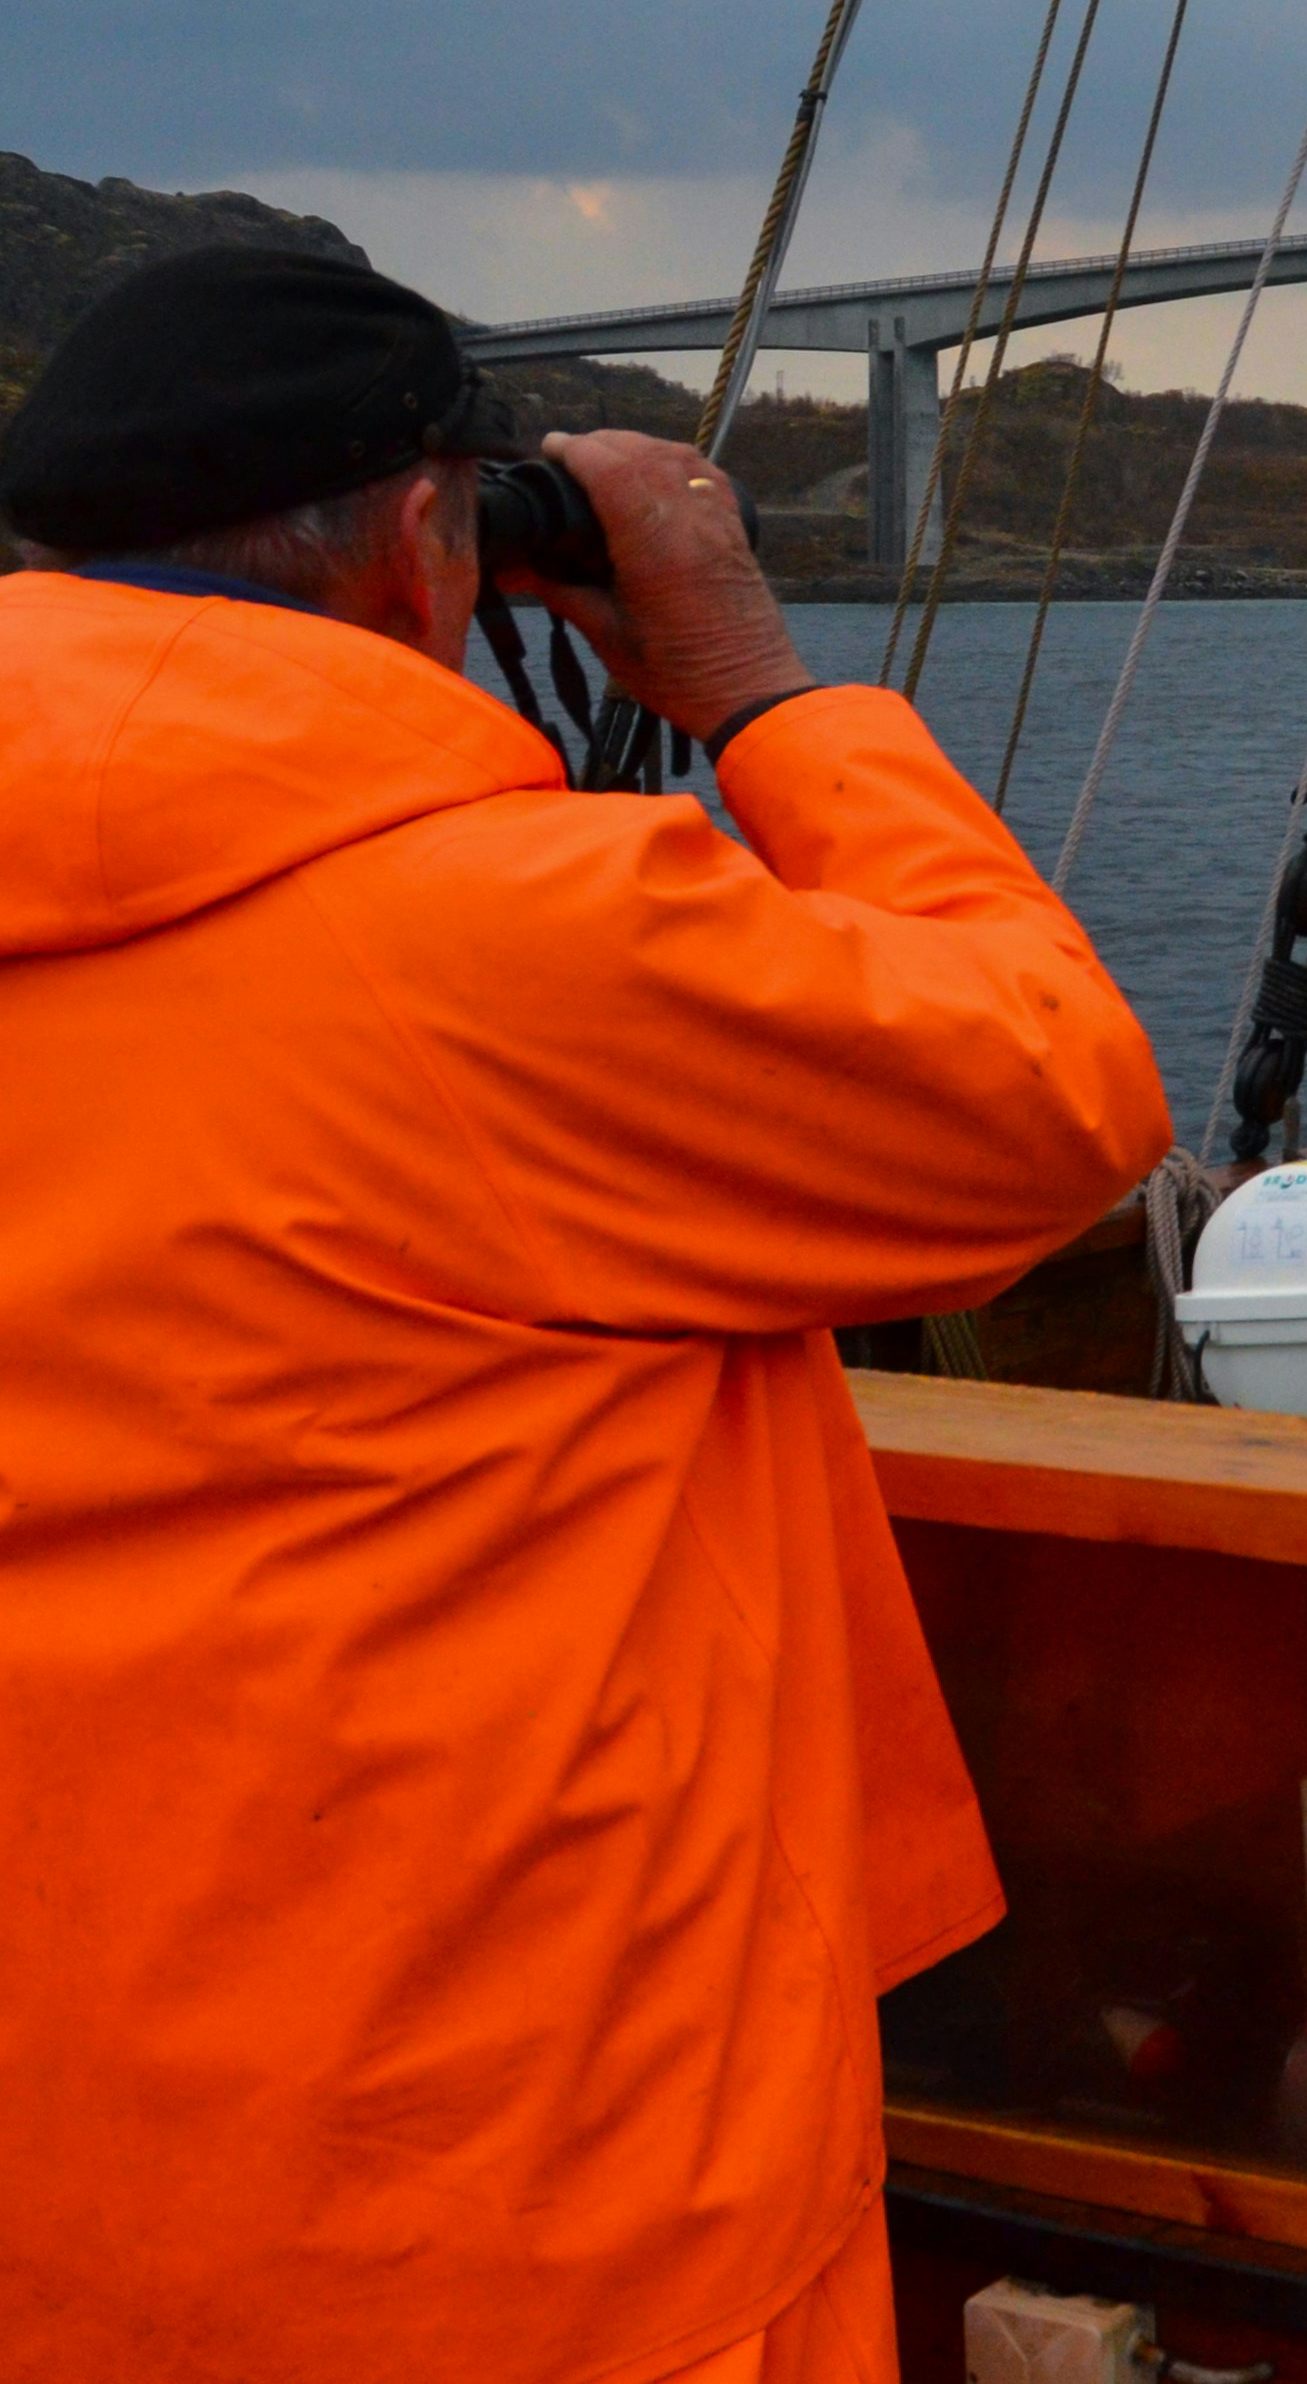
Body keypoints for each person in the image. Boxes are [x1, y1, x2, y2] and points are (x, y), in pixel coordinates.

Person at [0, 243, 1173, 2382]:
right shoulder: (503, 944)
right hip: (523, 2210)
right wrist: (755, 684)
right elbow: (1049, 1102)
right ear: (435, 537)